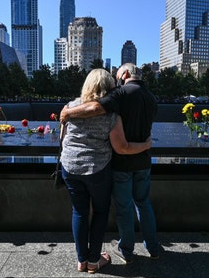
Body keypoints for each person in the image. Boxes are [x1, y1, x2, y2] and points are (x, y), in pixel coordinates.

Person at [61, 63, 161, 264]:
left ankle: (122, 251)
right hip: (140, 161)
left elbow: (94, 109)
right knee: (142, 203)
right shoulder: (151, 98)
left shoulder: (119, 94)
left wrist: (67, 113)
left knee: (118, 208)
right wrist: (146, 145)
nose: (116, 82)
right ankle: (152, 247)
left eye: (118, 77)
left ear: (124, 74)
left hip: (112, 164)